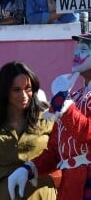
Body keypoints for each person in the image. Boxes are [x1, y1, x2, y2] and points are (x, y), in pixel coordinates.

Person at [8, 33, 91, 200]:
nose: (75, 53)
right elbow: (55, 149)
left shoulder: (69, 103)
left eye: (83, 49)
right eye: (76, 49)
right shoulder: (73, 97)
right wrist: (30, 168)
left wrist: (67, 109)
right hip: (70, 187)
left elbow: (87, 133)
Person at [0, 61, 56, 200]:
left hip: (41, 194)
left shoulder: (48, 116)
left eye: (28, 88)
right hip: (2, 194)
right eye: (16, 90)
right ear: (4, 91)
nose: (24, 95)